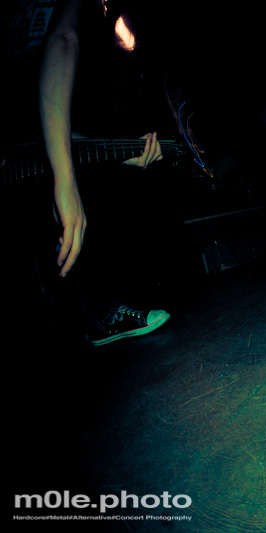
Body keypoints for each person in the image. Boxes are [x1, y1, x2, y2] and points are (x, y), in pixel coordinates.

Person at [35, 0, 172, 345]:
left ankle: (102, 310)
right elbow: (63, 39)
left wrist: (119, 155)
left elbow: (56, 129)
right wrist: (64, 181)